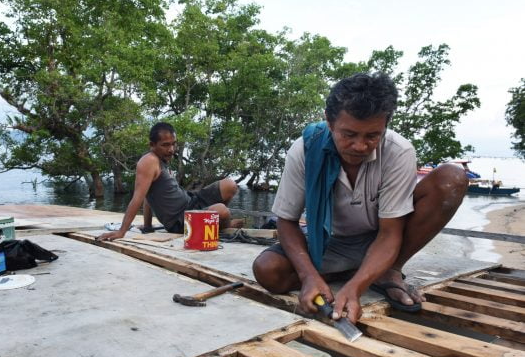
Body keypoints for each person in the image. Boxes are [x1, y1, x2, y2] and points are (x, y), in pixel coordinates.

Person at [252, 73, 468, 324]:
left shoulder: (399, 152)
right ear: (329, 122)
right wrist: (308, 275)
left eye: (372, 136)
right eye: (349, 134)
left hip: (378, 240)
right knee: (268, 271)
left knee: (452, 178)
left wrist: (355, 289)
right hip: (327, 242)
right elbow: (287, 221)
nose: (360, 146)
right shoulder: (304, 149)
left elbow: (389, 233)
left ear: (385, 127)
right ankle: (340, 274)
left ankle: (387, 271)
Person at [97, 122, 242, 241]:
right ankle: (225, 225)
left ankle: (219, 223)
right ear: (152, 145)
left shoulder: (162, 160)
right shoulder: (148, 161)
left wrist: (148, 226)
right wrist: (121, 231)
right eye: (165, 145)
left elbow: (149, 196)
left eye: (174, 144)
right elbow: (138, 197)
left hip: (191, 201)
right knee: (222, 211)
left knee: (230, 185)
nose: (171, 149)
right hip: (180, 220)